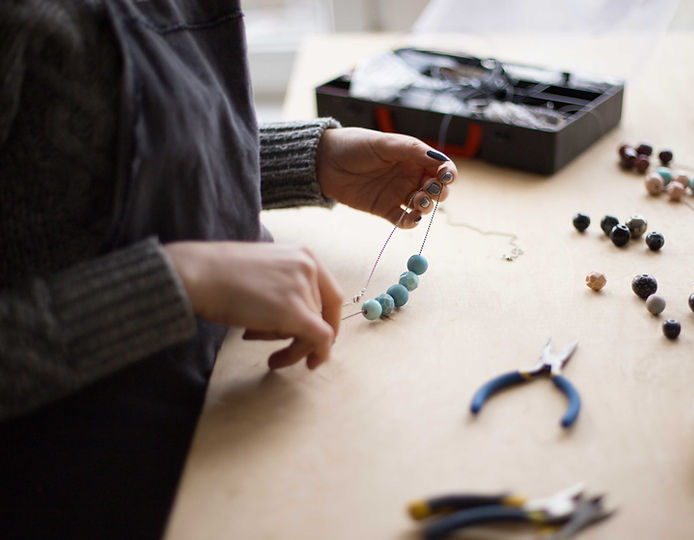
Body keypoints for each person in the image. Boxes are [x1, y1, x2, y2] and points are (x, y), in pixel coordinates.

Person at [0, 1, 457, 538]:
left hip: (231, 405)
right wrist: (175, 280)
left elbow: (93, 165)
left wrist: (313, 159)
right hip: (81, 486)